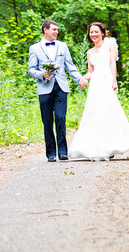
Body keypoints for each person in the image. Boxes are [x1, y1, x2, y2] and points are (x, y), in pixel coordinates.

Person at [69, 21, 129, 160]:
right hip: (95, 85)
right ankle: (94, 147)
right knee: (94, 113)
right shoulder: (89, 52)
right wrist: (83, 79)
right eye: (91, 32)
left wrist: (113, 81)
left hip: (106, 82)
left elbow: (112, 62)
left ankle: (112, 146)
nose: (93, 34)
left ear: (102, 32)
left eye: (96, 31)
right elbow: (90, 71)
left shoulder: (110, 44)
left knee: (109, 112)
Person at [27, 19, 84, 162]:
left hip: (61, 87)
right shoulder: (35, 48)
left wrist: (79, 79)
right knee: (47, 121)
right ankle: (51, 153)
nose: (57, 32)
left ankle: (63, 152)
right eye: (54, 29)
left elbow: (70, 66)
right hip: (45, 88)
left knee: (60, 118)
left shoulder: (63, 46)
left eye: (57, 29)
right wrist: (42, 74)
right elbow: (31, 70)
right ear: (45, 30)